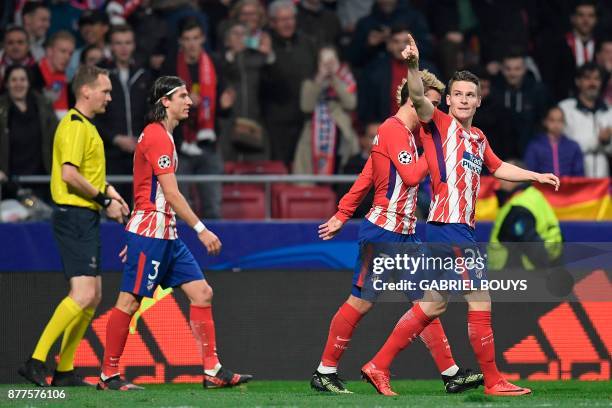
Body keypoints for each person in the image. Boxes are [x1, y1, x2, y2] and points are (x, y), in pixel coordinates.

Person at [358, 34, 560, 396]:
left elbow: (497, 168)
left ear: (479, 100)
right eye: (459, 95)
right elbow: (418, 95)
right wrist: (413, 65)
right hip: (449, 228)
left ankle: (378, 364)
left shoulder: (478, 138)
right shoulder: (438, 124)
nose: (465, 100)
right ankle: (494, 380)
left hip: (449, 230)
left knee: (432, 304)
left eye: (471, 95)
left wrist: (534, 175)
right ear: (448, 100)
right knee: (481, 298)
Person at [312, 71, 484, 394]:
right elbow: (408, 175)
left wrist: (342, 213)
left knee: (427, 301)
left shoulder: (408, 134)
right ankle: (326, 370)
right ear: (411, 100)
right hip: (383, 233)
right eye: (431, 104)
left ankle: (450, 373)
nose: (434, 115)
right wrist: (439, 151)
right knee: (363, 302)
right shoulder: (393, 130)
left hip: (404, 232)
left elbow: (366, 176)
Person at [97, 76, 252, 391]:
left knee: (202, 293)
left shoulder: (164, 136)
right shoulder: (157, 136)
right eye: (182, 96)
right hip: (152, 232)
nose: (190, 102)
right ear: (165, 101)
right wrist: (201, 229)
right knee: (128, 302)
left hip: (163, 233)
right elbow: (171, 193)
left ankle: (212, 371)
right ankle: (107, 375)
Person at [18, 65, 129, 387]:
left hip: (86, 215)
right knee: (82, 294)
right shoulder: (74, 125)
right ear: (86, 91)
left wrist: (110, 193)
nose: (109, 97)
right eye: (106, 91)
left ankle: (65, 370)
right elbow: (69, 174)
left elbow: (87, 174)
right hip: (74, 216)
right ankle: (36, 360)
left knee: (93, 296)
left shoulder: (88, 127)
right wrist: (104, 201)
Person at [162, 16, 234, 219]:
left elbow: (221, 105)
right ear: (180, 42)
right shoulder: (170, 67)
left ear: (202, 39)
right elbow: (157, 105)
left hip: (208, 144)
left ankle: (213, 249)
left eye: (195, 38)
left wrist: (225, 106)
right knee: (180, 209)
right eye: (187, 39)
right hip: (179, 146)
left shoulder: (215, 64)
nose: (191, 44)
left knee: (212, 206)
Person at [96, 24, 152, 204]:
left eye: (127, 42)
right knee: (114, 208)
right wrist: (115, 139)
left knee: (141, 212)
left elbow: (153, 113)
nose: (123, 48)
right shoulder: (100, 75)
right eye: (118, 43)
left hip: (141, 154)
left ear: (134, 45)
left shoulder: (145, 75)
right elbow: (93, 116)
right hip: (110, 154)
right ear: (110, 46)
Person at [262, 0, 317, 167]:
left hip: (306, 118)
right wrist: (269, 58)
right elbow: (266, 83)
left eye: (290, 18)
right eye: (282, 20)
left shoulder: (307, 43)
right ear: (272, 22)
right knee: (279, 167)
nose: (288, 23)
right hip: (275, 120)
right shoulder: (265, 45)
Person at [293, 46, 359, 175]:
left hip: (341, 140)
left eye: (332, 62)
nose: (328, 66)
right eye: (325, 62)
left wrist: (334, 79)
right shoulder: (310, 83)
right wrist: (319, 80)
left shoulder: (347, 80)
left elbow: (351, 103)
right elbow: (306, 106)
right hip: (313, 140)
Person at [0, 65, 58, 200]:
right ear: (7, 84)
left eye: (22, 79)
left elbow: (57, 137)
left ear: (28, 82)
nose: (18, 84)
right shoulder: (1, 108)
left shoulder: (44, 105)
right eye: (13, 80)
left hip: (43, 181)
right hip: (9, 185)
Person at [558, 63, 612, 177]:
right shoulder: (565, 108)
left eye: (597, 79)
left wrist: (606, 142)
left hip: (602, 180)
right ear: (578, 81)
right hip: (573, 177)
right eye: (587, 78)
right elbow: (566, 146)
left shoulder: (609, 110)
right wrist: (598, 141)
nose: (592, 83)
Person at [524, 107, 584, 176]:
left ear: (564, 122)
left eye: (560, 120)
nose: (556, 124)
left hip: (567, 186)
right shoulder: (535, 146)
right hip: (542, 186)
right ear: (545, 121)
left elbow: (579, 175)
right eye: (552, 120)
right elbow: (530, 172)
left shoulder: (573, 146)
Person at [30, 30, 76, 119]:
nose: (67, 57)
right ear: (49, 51)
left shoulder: (69, 81)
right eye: (63, 51)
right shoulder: (31, 76)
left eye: (70, 54)